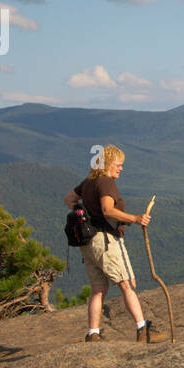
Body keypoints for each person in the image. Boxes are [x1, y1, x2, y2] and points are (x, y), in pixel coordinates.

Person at [63, 144, 155, 343]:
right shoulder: (105, 182)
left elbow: (69, 199)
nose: (121, 168)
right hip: (105, 241)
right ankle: (142, 330)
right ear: (107, 164)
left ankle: (93, 333)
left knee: (98, 289)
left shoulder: (89, 181)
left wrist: (83, 216)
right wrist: (135, 218)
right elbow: (107, 210)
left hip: (88, 244)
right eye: (118, 164)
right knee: (127, 283)